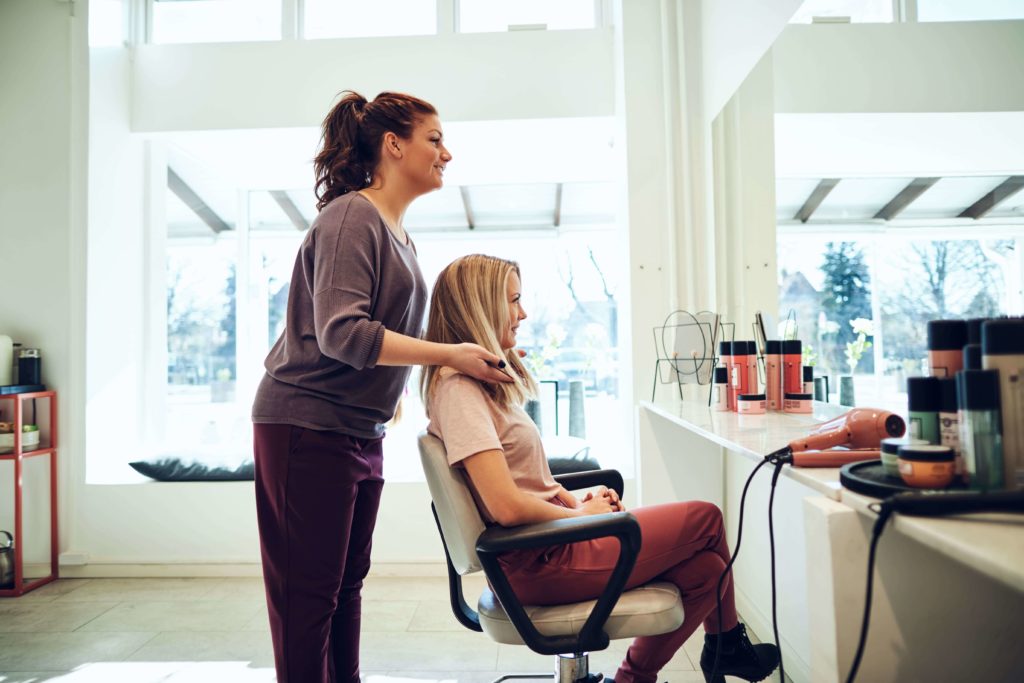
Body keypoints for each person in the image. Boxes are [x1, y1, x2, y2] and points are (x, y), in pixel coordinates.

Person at [251, 92, 512, 683]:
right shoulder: (352, 216)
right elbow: (343, 332)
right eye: (435, 138)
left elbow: (383, 338)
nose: (448, 151)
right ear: (394, 144)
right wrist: (450, 355)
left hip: (355, 429)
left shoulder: (397, 232)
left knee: (344, 586)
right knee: (307, 596)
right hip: (305, 424)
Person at [421, 254, 780, 683]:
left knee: (708, 572)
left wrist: (577, 501)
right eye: (513, 300)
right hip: (539, 563)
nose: (523, 313)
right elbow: (506, 507)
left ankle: (639, 676)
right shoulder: (459, 390)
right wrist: (578, 517)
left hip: (547, 547)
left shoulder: (474, 385)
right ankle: (727, 647)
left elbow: (524, 486)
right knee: (706, 518)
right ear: (480, 307)